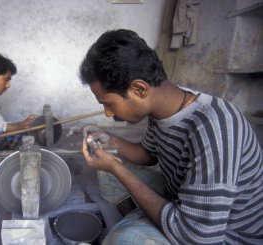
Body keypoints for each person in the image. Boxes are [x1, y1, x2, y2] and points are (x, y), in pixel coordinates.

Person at [79, 29, 263, 244]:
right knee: (106, 169)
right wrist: (110, 140)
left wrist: (117, 168)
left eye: (108, 104)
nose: (108, 113)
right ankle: (143, 220)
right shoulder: (168, 102)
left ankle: (140, 227)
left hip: (226, 236)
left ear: (139, 89)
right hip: (181, 199)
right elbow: (149, 155)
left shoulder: (215, 128)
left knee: (123, 239)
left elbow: (200, 239)